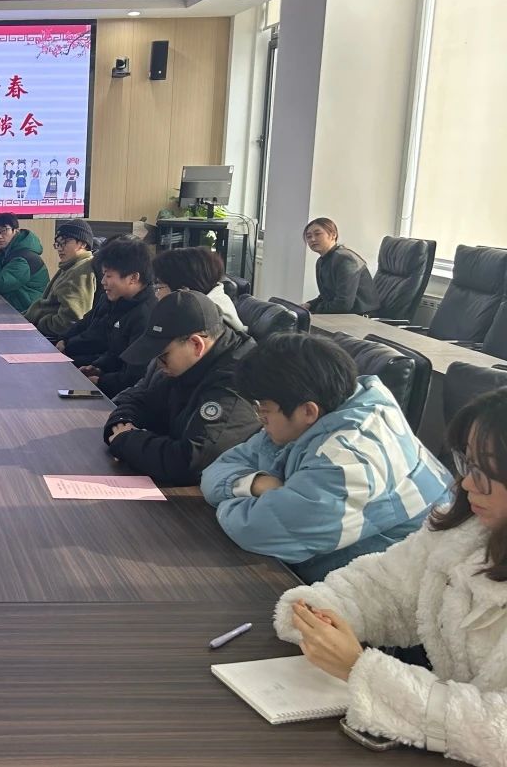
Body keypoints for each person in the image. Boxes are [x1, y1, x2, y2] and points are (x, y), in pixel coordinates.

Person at [271, 388, 507, 766]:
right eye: (468, 463)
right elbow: (386, 585)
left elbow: (498, 731)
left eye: (486, 471)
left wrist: (361, 670)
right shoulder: (466, 531)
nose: (466, 484)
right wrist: (321, 612)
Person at [202, 333, 450, 583]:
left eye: (263, 412)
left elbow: (257, 531)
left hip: (391, 588)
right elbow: (216, 471)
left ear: (308, 411)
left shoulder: (349, 457)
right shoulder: (316, 413)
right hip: (329, 570)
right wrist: (258, 484)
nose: (260, 420)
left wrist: (230, 500)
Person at [103, 290, 261, 487]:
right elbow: (141, 399)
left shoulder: (237, 382)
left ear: (196, 344)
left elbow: (190, 462)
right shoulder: (188, 365)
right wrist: (121, 423)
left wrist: (127, 440)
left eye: (163, 356)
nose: (158, 365)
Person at [58, 238, 157, 398]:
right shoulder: (116, 300)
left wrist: (101, 380)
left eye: (109, 276)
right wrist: (98, 367)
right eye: (103, 275)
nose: (103, 282)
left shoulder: (145, 316)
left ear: (133, 278)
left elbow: (135, 375)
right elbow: (113, 351)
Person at [22, 221, 97, 340]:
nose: (60, 249)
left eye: (65, 242)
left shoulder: (80, 271)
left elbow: (70, 321)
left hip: (49, 337)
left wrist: (38, 324)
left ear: (83, 243)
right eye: (58, 244)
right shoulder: (70, 266)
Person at [151, 247, 245, 333]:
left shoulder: (203, 322)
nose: (156, 294)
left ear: (183, 290)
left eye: (158, 287)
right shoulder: (216, 301)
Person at [302, 217, 379, 315]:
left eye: (318, 234)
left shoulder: (345, 259)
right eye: (309, 236)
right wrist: (309, 305)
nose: (312, 239)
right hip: (342, 315)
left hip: (360, 317)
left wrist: (315, 310)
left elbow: (343, 304)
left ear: (333, 235)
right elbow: (328, 295)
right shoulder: (321, 261)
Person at [0, 212, 48, 313]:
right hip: (15, 306)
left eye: (4, 231)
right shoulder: (4, 252)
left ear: (16, 231)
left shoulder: (22, 258)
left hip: (29, 312)